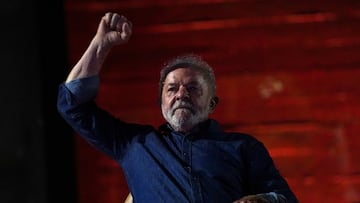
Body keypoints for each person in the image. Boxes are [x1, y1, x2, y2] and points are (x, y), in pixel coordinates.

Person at [57, 12, 299, 203]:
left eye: (193, 88)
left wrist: (260, 201)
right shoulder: (135, 144)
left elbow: (284, 199)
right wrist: (100, 46)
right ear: (160, 102)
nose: (181, 94)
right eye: (171, 89)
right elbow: (72, 105)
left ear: (212, 103)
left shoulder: (243, 147)